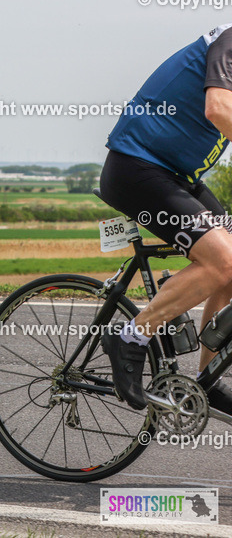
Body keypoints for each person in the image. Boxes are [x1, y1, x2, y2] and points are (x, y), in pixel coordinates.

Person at [99, 23, 232, 411]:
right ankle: (130, 337)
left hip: (175, 176)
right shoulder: (230, 41)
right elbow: (218, 107)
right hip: (136, 169)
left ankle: (207, 382)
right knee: (222, 262)